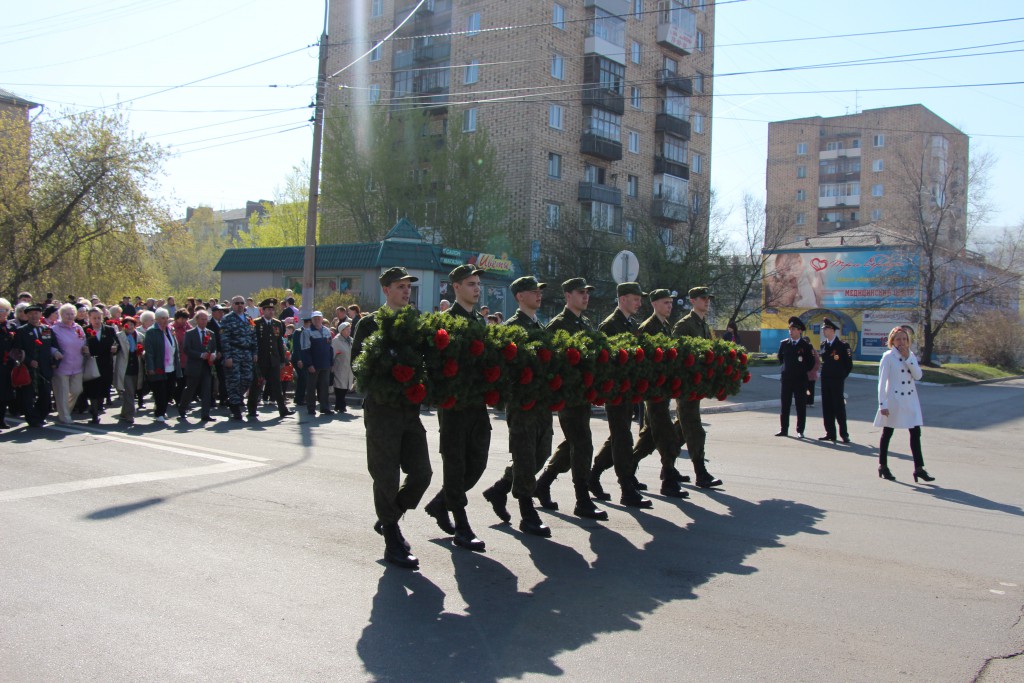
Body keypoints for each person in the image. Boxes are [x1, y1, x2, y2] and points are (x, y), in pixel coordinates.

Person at [352, 266, 432, 570]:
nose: (406, 290)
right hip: (382, 410)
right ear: (386, 289)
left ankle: (389, 518)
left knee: (422, 473)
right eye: (400, 286)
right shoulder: (369, 324)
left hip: (409, 411)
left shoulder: (414, 322)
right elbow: (360, 367)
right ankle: (392, 541)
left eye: (408, 286)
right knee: (386, 476)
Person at [423, 264, 490, 552]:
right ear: (457, 288)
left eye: (477, 284)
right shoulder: (445, 323)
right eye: (471, 284)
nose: (477, 288)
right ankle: (461, 525)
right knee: (456, 462)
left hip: (477, 403)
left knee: (478, 462)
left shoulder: (479, 321)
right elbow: (435, 365)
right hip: (454, 405)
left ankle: (441, 503)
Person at [480, 275, 553, 537]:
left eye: (539, 291)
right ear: (520, 296)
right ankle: (527, 512)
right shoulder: (512, 328)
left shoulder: (540, 326)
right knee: (525, 455)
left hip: (542, 402)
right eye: (533, 291)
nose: (539, 295)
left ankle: (500, 489)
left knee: (542, 453)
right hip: (523, 404)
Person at [533, 278, 609, 521]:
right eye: (580, 292)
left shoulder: (585, 323)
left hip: (583, 396)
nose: (585, 296)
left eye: (587, 292)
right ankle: (582, 499)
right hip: (568, 396)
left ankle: (542, 483)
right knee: (582, 443)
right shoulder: (558, 325)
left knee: (573, 444)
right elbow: (551, 362)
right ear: (568, 296)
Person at [589, 282, 653, 508]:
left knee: (619, 435)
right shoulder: (610, 325)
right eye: (635, 299)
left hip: (629, 391)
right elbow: (607, 360)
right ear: (623, 299)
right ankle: (626, 486)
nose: (639, 303)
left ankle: (593, 474)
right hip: (616, 391)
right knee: (623, 438)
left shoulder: (630, 324)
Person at [630, 288, 689, 499]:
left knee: (648, 439)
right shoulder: (648, 327)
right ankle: (668, 481)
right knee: (666, 435)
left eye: (671, 303)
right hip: (654, 392)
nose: (670, 307)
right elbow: (644, 362)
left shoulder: (666, 327)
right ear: (654, 304)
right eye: (665, 303)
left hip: (664, 391)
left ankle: (627, 469)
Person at [671, 287, 725, 489]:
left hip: (696, 385)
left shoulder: (703, 325)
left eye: (708, 298)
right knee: (694, 429)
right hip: (686, 386)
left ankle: (667, 467)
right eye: (703, 298)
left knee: (681, 431)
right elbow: (678, 355)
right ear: (692, 301)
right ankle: (700, 473)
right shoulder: (684, 325)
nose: (707, 301)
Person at [874, 327, 934, 482]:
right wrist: (882, 405)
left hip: (910, 400)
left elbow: (918, 376)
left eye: (904, 339)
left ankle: (919, 469)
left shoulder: (911, 355)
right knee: (887, 433)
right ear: (892, 341)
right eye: (898, 339)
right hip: (894, 400)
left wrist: (909, 358)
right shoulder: (888, 357)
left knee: (915, 433)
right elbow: (881, 383)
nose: (902, 342)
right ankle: (883, 465)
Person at [246, 298, 295, 419]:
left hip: (274, 359)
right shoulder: (255, 323)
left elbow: (279, 342)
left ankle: (283, 410)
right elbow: (252, 341)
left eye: (272, 309)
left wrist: (282, 359)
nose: (271, 311)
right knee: (256, 385)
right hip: (260, 360)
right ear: (263, 311)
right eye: (268, 309)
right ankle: (251, 409)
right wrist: (253, 355)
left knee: (277, 386)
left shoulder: (277, 323)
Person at [14, 304, 59, 428]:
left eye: (36, 313)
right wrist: (28, 361)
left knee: (45, 394)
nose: (34, 316)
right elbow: (17, 350)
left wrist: (55, 362)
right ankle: (32, 419)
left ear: (41, 315)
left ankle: (41, 415)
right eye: (31, 314)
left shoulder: (47, 329)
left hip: (45, 367)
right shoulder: (22, 331)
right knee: (28, 396)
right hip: (29, 369)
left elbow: (54, 346)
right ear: (27, 315)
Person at [776, 316, 815, 438]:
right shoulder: (784, 344)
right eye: (790, 329)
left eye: (793, 329)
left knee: (800, 406)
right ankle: (784, 429)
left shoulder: (806, 346)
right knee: (785, 405)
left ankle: (800, 430)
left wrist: (801, 371)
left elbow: (811, 363)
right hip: (787, 379)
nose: (791, 331)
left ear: (799, 331)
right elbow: (780, 358)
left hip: (800, 380)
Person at [219, 296, 258, 421]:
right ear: (232, 304)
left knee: (247, 379)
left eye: (242, 303)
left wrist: (254, 352)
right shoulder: (227, 319)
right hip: (234, 352)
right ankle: (235, 407)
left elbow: (253, 336)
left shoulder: (248, 318)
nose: (240, 305)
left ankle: (235, 399)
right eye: (237, 303)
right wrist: (227, 356)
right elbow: (224, 339)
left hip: (246, 352)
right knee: (234, 380)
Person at [49, 303, 88, 425]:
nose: (70, 316)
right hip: (62, 366)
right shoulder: (54, 329)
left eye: (72, 314)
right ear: (61, 315)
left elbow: (84, 340)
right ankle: (64, 415)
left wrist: (85, 348)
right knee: (62, 393)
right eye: (67, 314)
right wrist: (54, 352)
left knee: (77, 390)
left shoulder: (78, 328)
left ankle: (65, 410)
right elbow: (48, 345)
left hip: (77, 364)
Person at [178, 309, 219, 423]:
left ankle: (205, 414)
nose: (204, 321)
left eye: (206, 319)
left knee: (207, 390)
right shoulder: (190, 333)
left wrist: (213, 355)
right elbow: (186, 349)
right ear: (197, 320)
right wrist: (200, 355)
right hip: (194, 366)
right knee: (190, 389)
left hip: (206, 366)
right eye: (202, 319)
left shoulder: (210, 333)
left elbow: (214, 347)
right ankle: (182, 409)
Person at [143, 308, 182, 423]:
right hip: (159, 366)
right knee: (160, 391)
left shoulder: (170, 330)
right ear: (157, 320)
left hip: (171, 366)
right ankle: (159, 412)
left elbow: (175, 348)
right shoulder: (151, 332)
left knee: (170, 390)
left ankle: (162, 410)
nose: (165, 321)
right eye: (162, 318)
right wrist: (150, 367)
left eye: (166, 318)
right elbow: (149, 352)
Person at [817, 318, 853, 443]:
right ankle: (830, 433)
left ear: (832, 330)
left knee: (839, 408)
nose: (824, 330)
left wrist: (841, 376)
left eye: (826, 329)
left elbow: (848, 365)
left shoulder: (842, 345)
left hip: (837, 381)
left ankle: (844, 433)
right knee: (827, 407)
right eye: (823, 329)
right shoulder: (823, 344)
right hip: (825, 380)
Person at [83, 308, 120, 425]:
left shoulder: (109, 330)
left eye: (99, 318)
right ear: (89, 318)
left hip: (106, 363)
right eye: (94, 318)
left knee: (104, 386)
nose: (97, 320)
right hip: (91, 362)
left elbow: (117, 343)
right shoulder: (85, 330)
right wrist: (85, 350)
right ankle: (94, 413)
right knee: (93, 387)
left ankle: (99, 404)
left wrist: (115, 349)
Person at [298, 310, 334, 416]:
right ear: (312, 320)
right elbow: (305, 350)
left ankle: (324, 407)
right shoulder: (307, 332)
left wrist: (331, 362)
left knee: (324, 387)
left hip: (325, 364)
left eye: (319, 318)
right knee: (311, 387)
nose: (317, 320)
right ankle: (311, 408)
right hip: (313, 365)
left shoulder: (327, 331)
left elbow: (330, 348)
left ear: (322, 319)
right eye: (315, 318)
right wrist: (309, 364)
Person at [113, 317, 144, 424]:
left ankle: (123, 413)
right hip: (125, 368)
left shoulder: (140, 336)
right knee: (129, 391)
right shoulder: (119, 336)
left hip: (136, 367)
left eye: (132, 324)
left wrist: (142, 352)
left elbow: (144, 351)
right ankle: (130, 414)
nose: (129, 327)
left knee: (131, 391)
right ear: (123, 326)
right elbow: (114, 350)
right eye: (127, 324)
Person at [330, 321, 354, 413]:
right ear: (341, 330)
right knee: (340, 387)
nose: (349, 331)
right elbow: (332, 354)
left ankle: (338, 405)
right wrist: (331, 366)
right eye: (347, 329)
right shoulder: (336, 340)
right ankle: (341, 405)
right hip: (339, 366)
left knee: (345, 387)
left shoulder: (350, 340)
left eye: (349, 329)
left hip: (348, 367)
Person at [0, 298, 15, 428]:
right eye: (0, 310)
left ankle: (2, 419)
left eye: (5, 310)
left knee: (5, 394)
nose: (2, 313)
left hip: (7, 365)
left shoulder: (11, 326)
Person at [805, 340, 820, 408]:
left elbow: (817, 361)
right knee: (804, 388)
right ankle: (805, 401)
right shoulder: (802, 349)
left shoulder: (813, 350)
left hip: (811, 374)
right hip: (803, 374)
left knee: (810, 388)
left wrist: (813, 370)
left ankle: (810, 402)